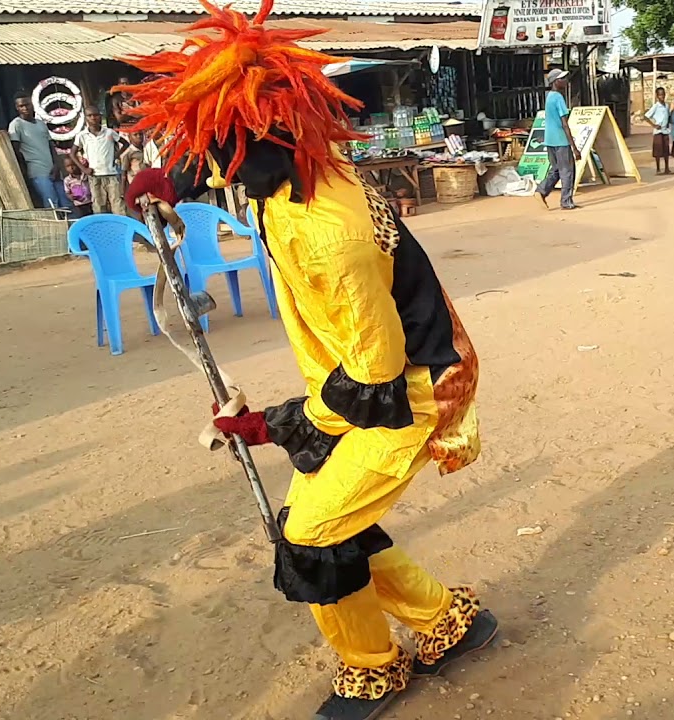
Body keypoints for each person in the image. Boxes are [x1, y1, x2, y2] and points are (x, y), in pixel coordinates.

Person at [118, 2, 496, 717]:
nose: (216, 167)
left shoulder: (329, 235)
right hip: (365, 374)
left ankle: (372, 668)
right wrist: (172, 180)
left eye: (219, 149)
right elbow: (225, 148)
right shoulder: (294, 169)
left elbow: (375, 376)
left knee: (310, 531)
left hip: (413, 389)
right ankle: (448, 621)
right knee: (329, 516)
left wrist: (273, 424)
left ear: (261, 143)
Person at [8, 93, 70, 211]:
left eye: (27, 105)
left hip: (53, 169)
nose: (25, 108)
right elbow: (16, 150)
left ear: (32, 104)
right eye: (21, 106)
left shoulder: (41, 124)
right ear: (17, 108)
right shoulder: (16, 125)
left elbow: (51, 146)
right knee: (51, 203)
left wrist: (57, 165)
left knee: (66, 202)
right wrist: (24, 170)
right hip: (36, 171)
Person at [70, 106, 126, 214]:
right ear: (85, 117)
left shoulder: (109, 132)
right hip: (94, 175)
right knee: (99, 205)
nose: (93, 118)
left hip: (111, 174)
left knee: (117, 204)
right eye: (89, 115)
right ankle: (102, 224)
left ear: (100, 116)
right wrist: (84, 169)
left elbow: (125, 143)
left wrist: (116, 155)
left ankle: (120, 224)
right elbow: (72, 153)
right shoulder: (82, 135)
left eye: (95, 115)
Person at [537, 69, 579, 210]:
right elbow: (564, 124)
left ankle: (541, 190)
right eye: (562, 78)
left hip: (550, 139)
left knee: (556, 169)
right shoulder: (559, 98)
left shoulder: (549, 97)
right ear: (555, 82)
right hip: (561, 140)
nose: (566, 81)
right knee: (567, 171)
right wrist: (574, 147)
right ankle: (566, 201)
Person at [644, 86, 671, 175]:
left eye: (663, 94)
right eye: (660, 95)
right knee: (658, 151)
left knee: (666, 150)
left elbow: (668, 116)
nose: (662, 96)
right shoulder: (656, 106)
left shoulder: (667, 106)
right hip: (658, 131)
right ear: (657, 96)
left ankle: (667, 168)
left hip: (665, 130)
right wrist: (654, 125)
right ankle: (658, 169)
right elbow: (646, 116)